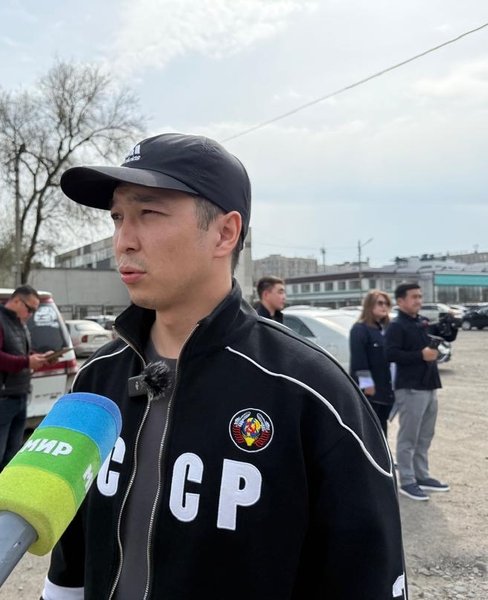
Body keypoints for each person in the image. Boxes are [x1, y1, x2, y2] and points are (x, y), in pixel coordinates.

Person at [42, 133, 407, 599]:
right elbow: (71, 557)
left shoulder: (311, 393)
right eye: (117, 217)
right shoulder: (96, 379)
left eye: (148, 213)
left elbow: (366, 574)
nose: (123, 241)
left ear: (224, 233)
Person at [0, 285, 52, 530]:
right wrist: (27, 361)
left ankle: (4, 503)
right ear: (17, 301)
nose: (31, 315)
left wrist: (37, 358)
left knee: (11, 456)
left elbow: (17, 351)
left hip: (17, 396)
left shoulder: (17, 323)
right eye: (30, 309)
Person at [386, 282, 458, 502]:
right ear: (400, 301)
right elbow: (390, 354)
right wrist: (420, 355)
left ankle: (422, 475)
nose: (418, 300)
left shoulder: (421, 322)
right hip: (410, 388)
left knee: (425, 435)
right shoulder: (396, 326)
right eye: (414, 297)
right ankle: (407, 481)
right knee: (409, 437)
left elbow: (446, 337)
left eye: (420, 296)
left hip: (429, 385)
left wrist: (451, 325)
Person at [349, 289, 395, 435]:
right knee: (370, 429)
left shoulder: (386, 329)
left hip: (386, 388)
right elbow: (359, 359)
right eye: (380, 303)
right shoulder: (360, 329)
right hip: (371, 390)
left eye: (387, 303)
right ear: (370, 305)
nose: (384, 306)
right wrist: (367, 384)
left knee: (382, 428)